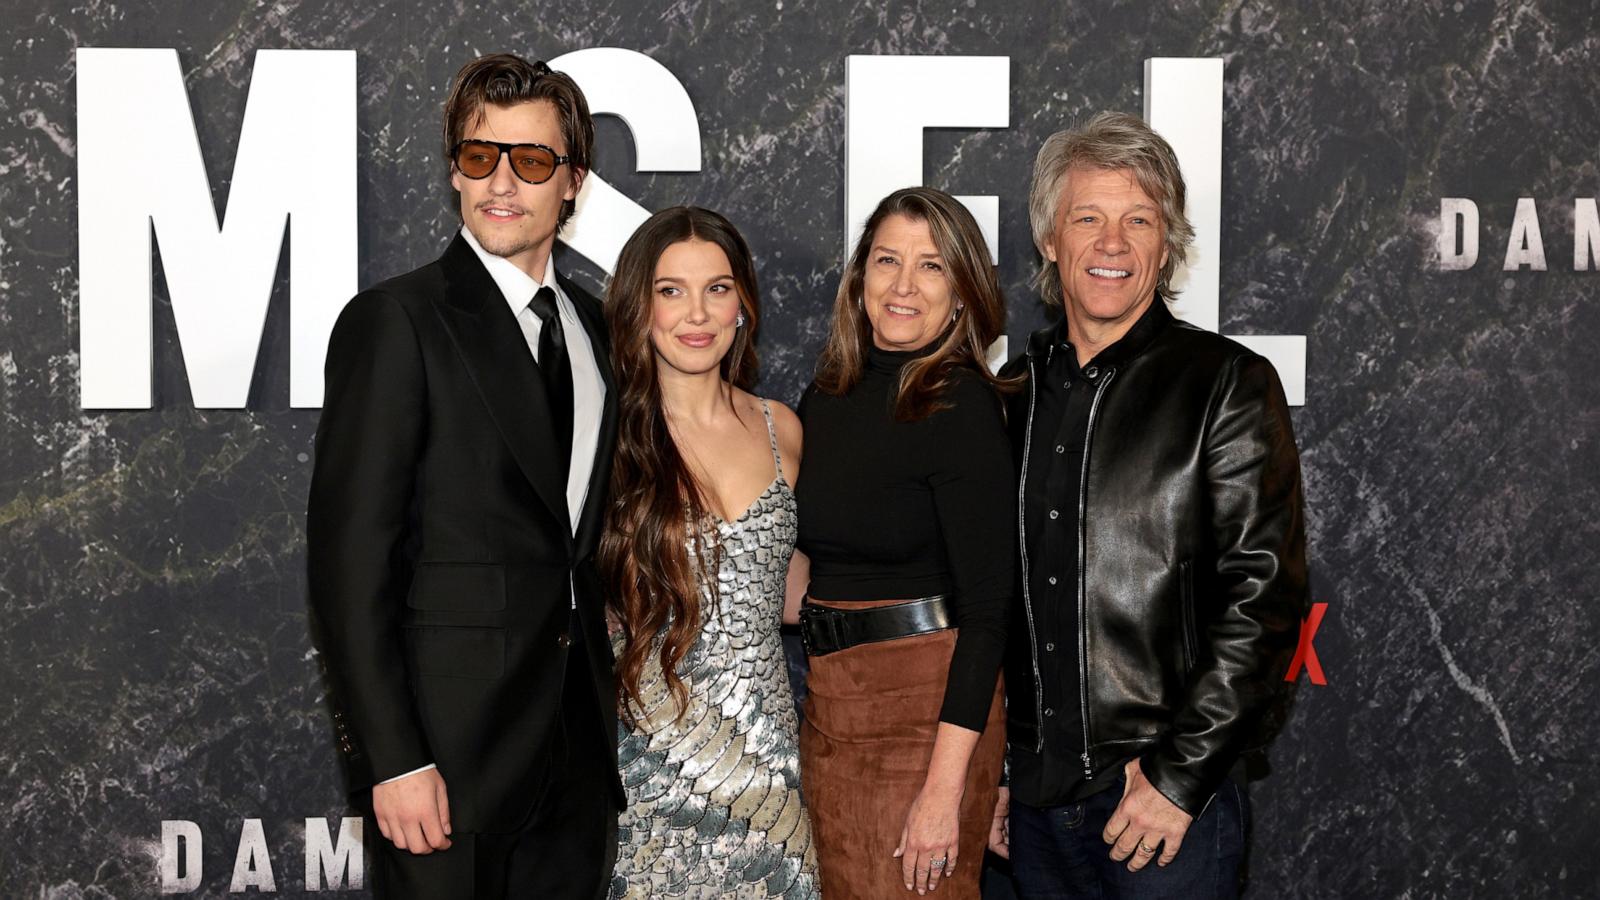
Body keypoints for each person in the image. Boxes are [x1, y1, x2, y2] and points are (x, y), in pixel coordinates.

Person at [306, 54, 622, 899]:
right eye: (481, 157)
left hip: (575, 758)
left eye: (532, 160)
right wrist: (395, 756)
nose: (502, 183)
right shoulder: (396, 321)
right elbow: (350, 566)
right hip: (445, 766)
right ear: (456, 169)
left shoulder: (598, 329)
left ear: (574, 182)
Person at [989, 111, 1308, 899]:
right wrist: (994, 768)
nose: (1112, 244)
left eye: (1139, 221)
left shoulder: (1226, 383)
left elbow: (1263, 601)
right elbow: (991, 604)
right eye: (1087, 218)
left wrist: (1177, 778)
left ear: (1167, 246)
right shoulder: (1009, 400)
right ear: (1049, 241)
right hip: (1028, 816)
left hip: (1162, 811)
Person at [794, 186, 1015, 898]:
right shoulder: (826, 396)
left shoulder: (962, 403)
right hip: (829, 705)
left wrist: (945, 789)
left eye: (931, 267)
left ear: (961, 293)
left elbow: (989, 610)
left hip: (926, 712)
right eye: (887, 260)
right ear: (859, 280)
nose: (903, 285)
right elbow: (805, 565)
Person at [598, 207, 818, 899]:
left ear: (743, 304)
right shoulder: (603, 440)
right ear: (640, 306)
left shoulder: (781, 427)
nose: (697, 312)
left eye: (717, 288)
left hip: (772, 780)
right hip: (653, 773)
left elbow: (788, 590)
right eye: (671, 290)